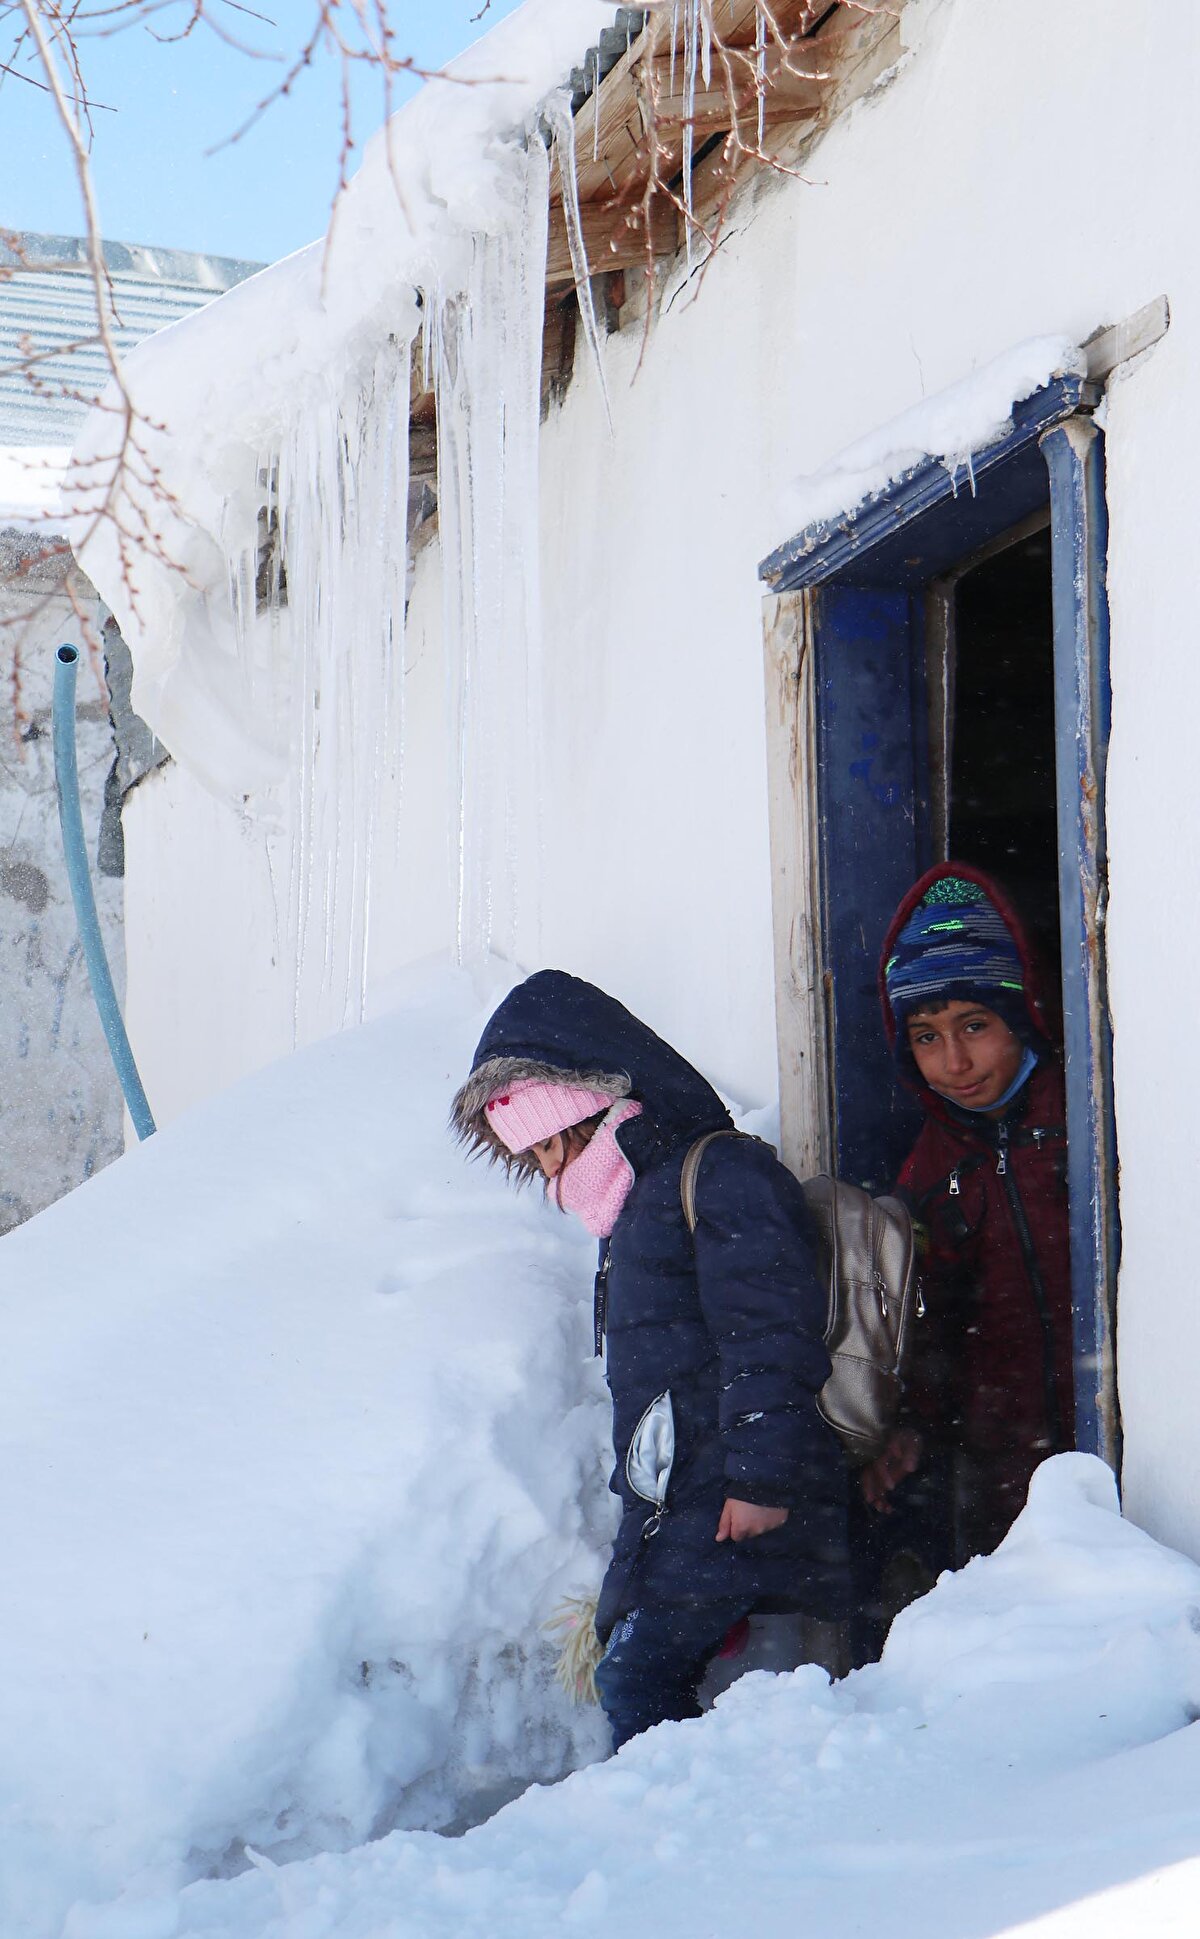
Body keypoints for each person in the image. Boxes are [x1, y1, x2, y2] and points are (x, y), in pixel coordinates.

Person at [452, 969, 850, 1749]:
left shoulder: (716, 1176)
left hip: (728, 1502)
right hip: (686, 1508)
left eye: (551, 1146)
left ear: (590, 1108)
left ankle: (675, 1835)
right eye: (530, 1158)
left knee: (635, 1680)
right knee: (635, 1674)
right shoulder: (634, 1211)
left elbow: (767, 1332)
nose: (549, 1174)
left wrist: (762, 1480)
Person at [862, 862, 1074, 1588]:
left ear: (1023, 1013)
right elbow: (931, 1326)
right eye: (925, 1037)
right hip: (1009, 1472)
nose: (953, 1062)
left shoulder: (1089, 1113)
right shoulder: (929, 1172)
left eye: (975, 1026)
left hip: (1136, 1444)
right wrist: (912, 1423)